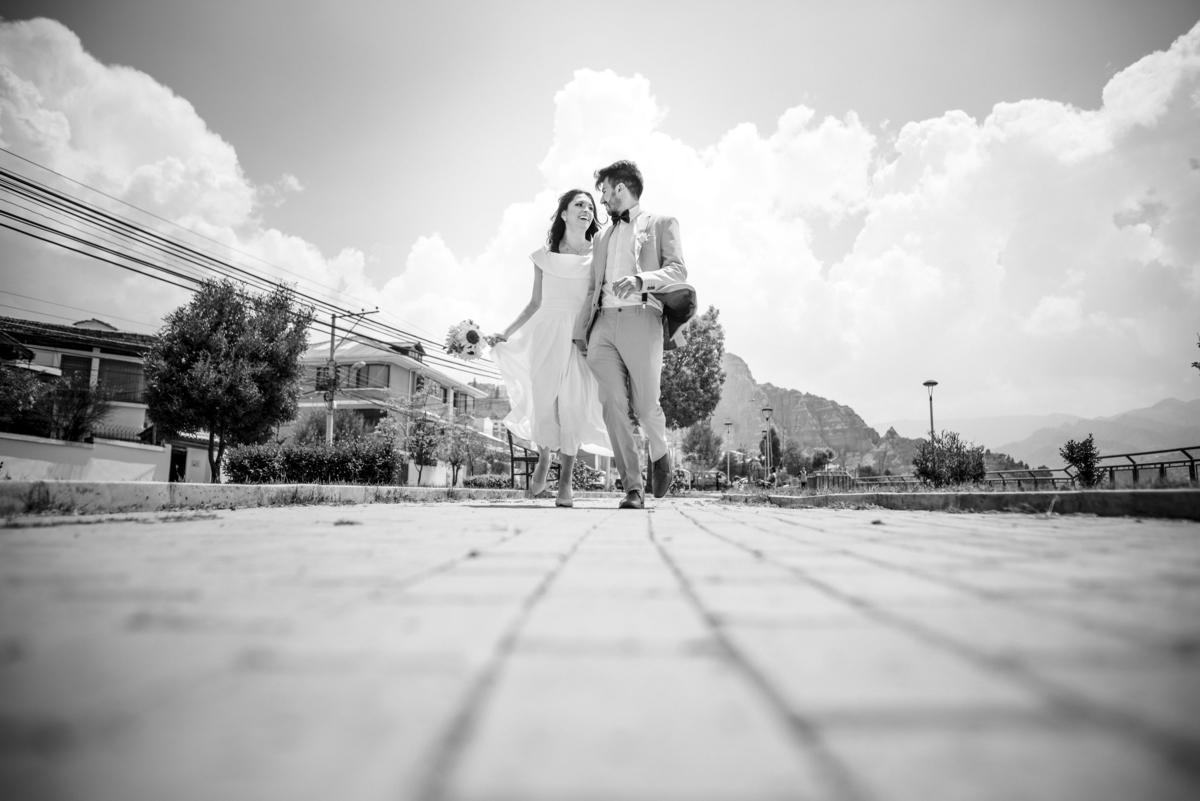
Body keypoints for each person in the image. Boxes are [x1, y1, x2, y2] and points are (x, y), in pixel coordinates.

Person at [573, 160, 690, 510]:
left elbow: (678, 270)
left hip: (643, 317)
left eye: (606, 192)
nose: (603, 201)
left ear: (620, 188)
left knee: (645, 406)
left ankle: (660, 451)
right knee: (612, 406)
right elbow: (594, 286)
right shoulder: (603, 237)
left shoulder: (662, 223)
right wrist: (583, 333)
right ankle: (633, 488)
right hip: (604, 326)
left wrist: (642, 280)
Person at [489, 189, 612, 507]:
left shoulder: (599, 254)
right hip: (545, 333)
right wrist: (505, 332)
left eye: (590, 206)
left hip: (580, 335)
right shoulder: (543, 256)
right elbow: (534, 303)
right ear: (564, 214)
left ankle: (566, 483)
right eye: (578, 205)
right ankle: (544, 456)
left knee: (572, 406)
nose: (586, 209)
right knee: (545, 405)